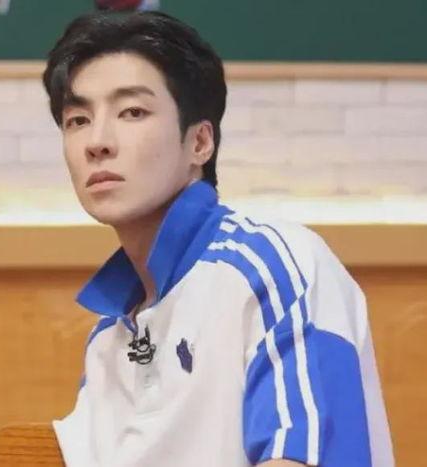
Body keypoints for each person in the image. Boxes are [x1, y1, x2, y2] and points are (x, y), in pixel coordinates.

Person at [42, 11, 394, 467]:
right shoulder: (108, 337)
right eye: (77, 119)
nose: (97, 141)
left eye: (132, 112)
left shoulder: (272, 265)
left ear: (200, 143)